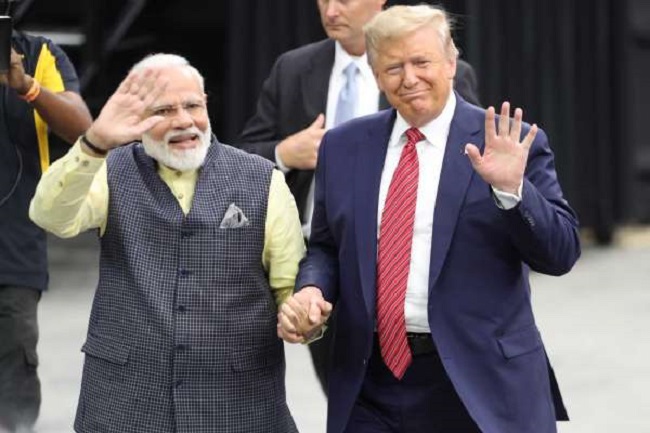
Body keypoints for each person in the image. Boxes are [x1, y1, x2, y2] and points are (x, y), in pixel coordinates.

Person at [277, 5, 580, 433]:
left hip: (479, 384)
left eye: (421, 62)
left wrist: (513, 192)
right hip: (371, 382)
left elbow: (560, 254)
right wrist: (312, 288)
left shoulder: (505, 143)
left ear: (452, 63)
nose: (409, 78)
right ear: (377, 75)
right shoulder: (344, 147)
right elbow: (326, 245)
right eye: (394, 67)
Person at [29, 53, 304, 433]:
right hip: (124, 403)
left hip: (239, 402)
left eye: (193, 105)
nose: (184, 120)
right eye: (164, 110)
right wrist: (93, 144)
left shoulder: (261, 178)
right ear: (135, 117)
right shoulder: (108, 168)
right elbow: (50, 216)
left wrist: (302, 316)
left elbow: (290, 285)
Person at [238, 0, 480, 395]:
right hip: (319, 255)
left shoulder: (432, 76)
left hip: (405, 258)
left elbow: (464, 161)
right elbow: (242, 156)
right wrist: (285, 152)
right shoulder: (293, 68)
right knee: (348, 391)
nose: (332, 9)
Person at [0, 0, 93, 430]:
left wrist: (26, 86)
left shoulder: (40, 55)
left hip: (13, 243)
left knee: (15, 365)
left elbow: (81, 127)